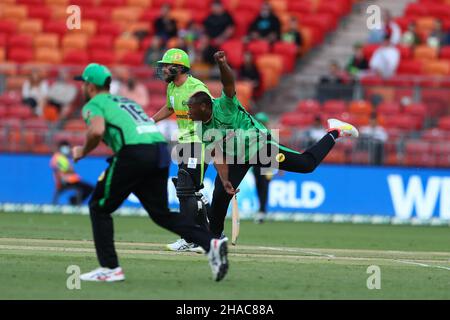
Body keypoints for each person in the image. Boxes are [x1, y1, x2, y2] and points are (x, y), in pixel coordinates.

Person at [71, 63, 228, 282]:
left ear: (89, 86)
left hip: (134, 153)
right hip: (159, 150)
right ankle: (210, 242)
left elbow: (96, 130)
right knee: (161, 214)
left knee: (98, 207)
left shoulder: (95, 103)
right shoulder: (124, 101)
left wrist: (82, 150)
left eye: (84, 83)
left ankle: (110, 268)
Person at [186, 51, 359, 239]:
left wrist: (221, 64)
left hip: (259, 146)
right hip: (236, 156)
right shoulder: (201, 129)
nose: (188, 113)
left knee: (306, 165)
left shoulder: (224, 105)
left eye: (190, 108)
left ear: (203, 107)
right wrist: (226, 180)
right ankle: (215, 238)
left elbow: (228, 83)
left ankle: (335, 131)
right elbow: (218, 155)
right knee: (220, 196)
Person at [151, 48, 214, 252]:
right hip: (184, 142)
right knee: (186, 192)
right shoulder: (172, 88)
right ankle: (207, 238)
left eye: (167, 66)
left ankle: (191, 238)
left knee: (186, 190)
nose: (163, 70)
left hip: (198, 142)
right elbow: (170, 108)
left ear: (179, 67)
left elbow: (211, 113)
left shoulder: (196, 88)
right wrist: (151, 120)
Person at [50, 140, 94, 205]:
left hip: (73, 180)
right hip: (67, 181)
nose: (67, 149)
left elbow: (69, 170)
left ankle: (74, 201)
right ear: (60, 148)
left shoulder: (64, 158)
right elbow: (60, 170)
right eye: (65, 147)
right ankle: (74, 201)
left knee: (90, 188)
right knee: (88, 188)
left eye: (67, 147)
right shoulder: (57, 157)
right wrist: (69, 171)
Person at [252, 112, 273, 224]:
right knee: (259, 187)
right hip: (256, 165)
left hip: (267, 166)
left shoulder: (268, 134)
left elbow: (274, 151)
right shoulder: (254, 134)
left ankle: (262, 211)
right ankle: (261, 210)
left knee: (264, 188)